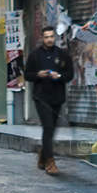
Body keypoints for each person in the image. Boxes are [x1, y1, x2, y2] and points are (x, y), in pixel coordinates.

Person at [24, 25, 73, 174]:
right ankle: (50, 162)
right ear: (42, 38)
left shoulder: (63, 54)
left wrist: (59, 77)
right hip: (41, 97)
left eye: (51, 37)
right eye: (46, 37)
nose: (49, 39)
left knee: (51, 129)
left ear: (55, 38)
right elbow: (27, 75)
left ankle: (43, 155)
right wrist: (39, 74)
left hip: (57, 97)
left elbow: (70, 75)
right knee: (48, 127)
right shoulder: (35, 55)